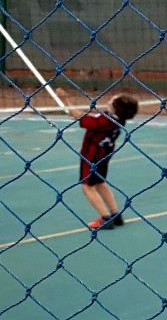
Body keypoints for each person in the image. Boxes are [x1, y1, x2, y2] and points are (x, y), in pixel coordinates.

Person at [56, 88, 138, 230]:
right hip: (105, 156)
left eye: (112, 100)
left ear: (115, 108)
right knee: (100, 183)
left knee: (87, 187)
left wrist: (65, 100)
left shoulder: (103, 121)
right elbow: (91, 117)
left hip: (91, 156)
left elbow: (78, 116)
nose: (109, 100)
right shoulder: (116, 119)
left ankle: (105, 218)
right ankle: (115, 215)